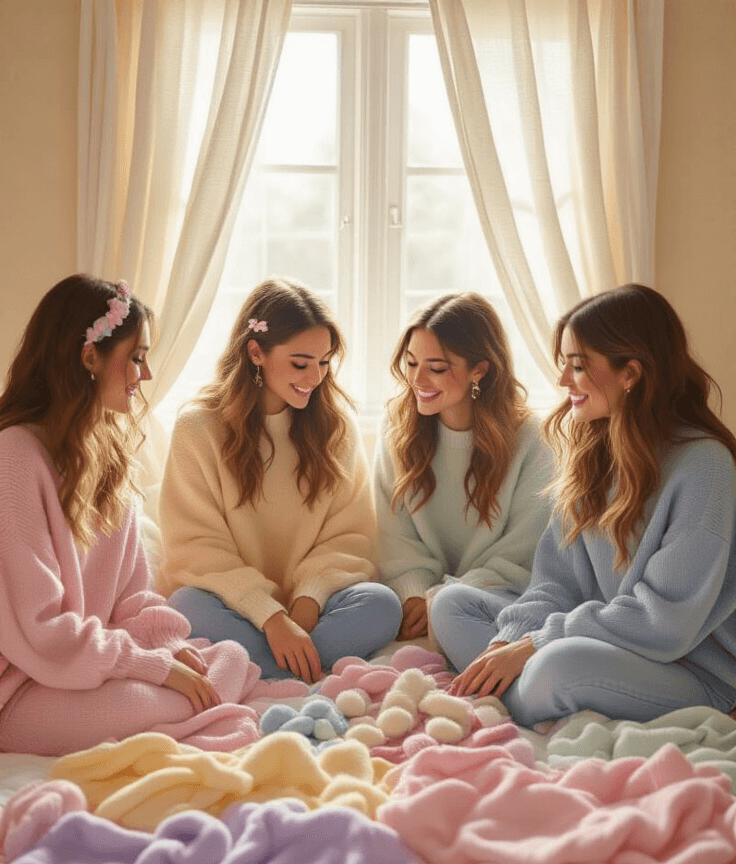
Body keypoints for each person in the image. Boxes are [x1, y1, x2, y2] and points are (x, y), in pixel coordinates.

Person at [432, 284, 736, 724]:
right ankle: (524, 691)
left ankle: (526, 693)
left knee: (554, 670)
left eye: (577, 366)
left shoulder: (705, 466)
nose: (562, 381)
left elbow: (665, 621)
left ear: (630, 373)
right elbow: (556, 583)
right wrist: (510, 641)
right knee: (452, 603)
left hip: (690, 668)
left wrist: (536, 645)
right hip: (602, 642)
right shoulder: (593, 453)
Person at [0, 274, 231, 757]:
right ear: (89, 358)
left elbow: (133, 596)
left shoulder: (108, 457)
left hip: (81, 666)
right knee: (186, 695)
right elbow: (41, 631)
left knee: (224, 660)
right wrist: (151, 667)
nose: (144, 377)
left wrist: (163, 644)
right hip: (16, 689)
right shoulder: (14, 458)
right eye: (137, 358)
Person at [158, 278, 402, 682]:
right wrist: (270, 616)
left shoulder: (337, 427)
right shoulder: (197, 428)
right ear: (256, 352)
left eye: (324, 362)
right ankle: (299, 675)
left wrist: (308, 599)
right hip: (234, 604)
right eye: (301, 363)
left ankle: (266, 672)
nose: (316, 377)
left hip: (314, 608)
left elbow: (350, 535)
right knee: (185, 604)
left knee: (381, 604)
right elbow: (196, 546)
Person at [373, 292, 553, 642]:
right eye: (411, 363)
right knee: (374, 605)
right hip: (420, 601)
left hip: (499, 595)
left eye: (437, 368)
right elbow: (394, 533)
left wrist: (442, 599)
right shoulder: (396, 428)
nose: (418, 380)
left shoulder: (531, 438)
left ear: (479, 370)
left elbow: (523, 550)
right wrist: (414, 592)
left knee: (452, 608)